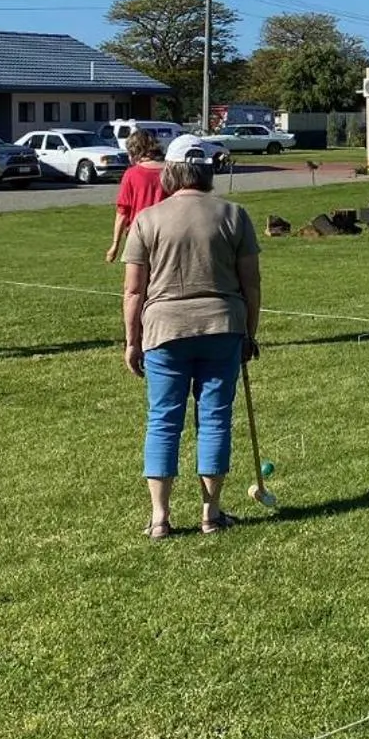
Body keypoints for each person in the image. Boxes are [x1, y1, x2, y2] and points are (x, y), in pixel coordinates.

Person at [122, 134, 263, 537]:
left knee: (163, 420)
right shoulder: (234, 215)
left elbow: (134, 290)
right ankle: (210, 514)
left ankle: (160, 518)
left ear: (171, 171)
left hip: (164, 331)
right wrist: (249, 334)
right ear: (206, 171)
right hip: (223, 328)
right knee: (215, 418)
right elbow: (252, 284)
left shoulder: (147, 219)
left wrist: (132, 341)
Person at [105, 129, 167, 263]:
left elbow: (123, 212)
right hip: (166, 235)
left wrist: (115, 244)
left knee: (136, 275)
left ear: (134, 152)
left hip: (139, 234)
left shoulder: (131, 174)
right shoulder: (170, 171)